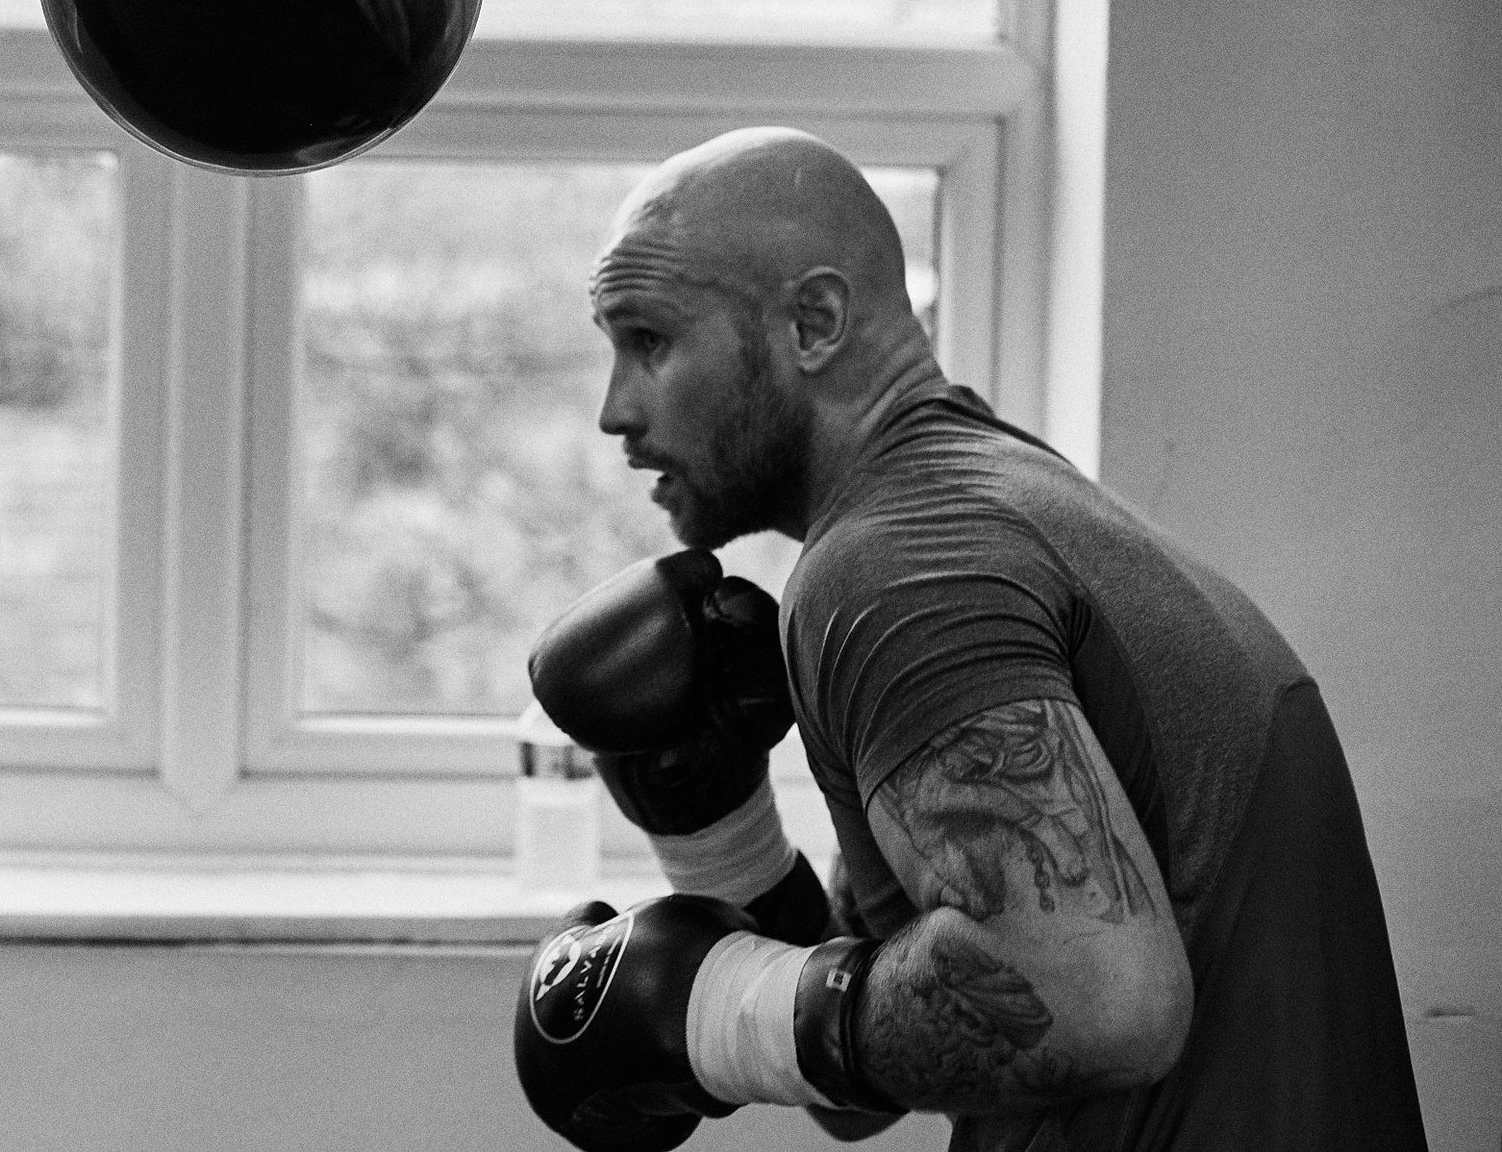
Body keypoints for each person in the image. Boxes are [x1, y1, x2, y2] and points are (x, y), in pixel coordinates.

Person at [513, 126, 1426, 1152]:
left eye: (648, 342)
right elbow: (864, 1084)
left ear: (812, 321)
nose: (612, 409)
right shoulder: (989, 497)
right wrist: (717, 834)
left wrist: (705, 1013)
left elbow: (1090, 1001)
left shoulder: (900, 564)